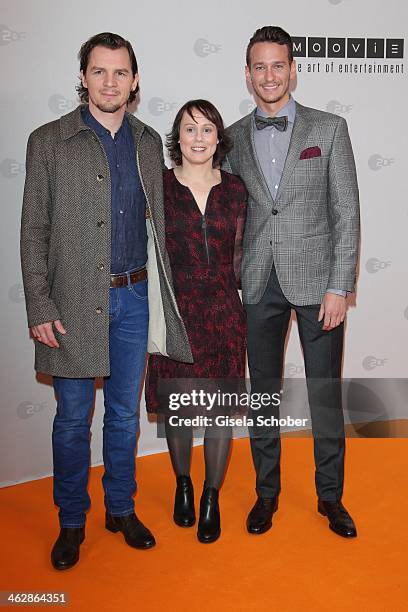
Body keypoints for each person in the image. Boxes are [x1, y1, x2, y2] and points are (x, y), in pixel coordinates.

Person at [20, 32, 192, 570]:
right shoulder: (47, 141)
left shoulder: (146, 142)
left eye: (120, 73)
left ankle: (121, 508)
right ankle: (72, 521)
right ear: (84, 77)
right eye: (99, 72)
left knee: (122, 416)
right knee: (72, 419)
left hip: (134, 297)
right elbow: (32, 231)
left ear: (135, 80)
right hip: (71, 304)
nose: (110, 82)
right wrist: (39, 305)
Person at [224, 26, 360, 538]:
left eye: (278, 65)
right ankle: (266, 494)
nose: (269, 76)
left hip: (319, 285)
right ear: (247, 74)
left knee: (325, 394)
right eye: (259, 67)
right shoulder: (231, 136)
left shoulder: (330, 129)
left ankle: (331, 498)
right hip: (258, 285)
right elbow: (225, 207)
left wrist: (339, 286)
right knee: (264, 395)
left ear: (293, 69)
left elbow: (347, 213)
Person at [145, 100, 247, 543]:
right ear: (178, 138)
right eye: (190, 129)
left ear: (218, 138)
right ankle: (183, 485)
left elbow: (243, 256)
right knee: (181, 413)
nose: (199, 138)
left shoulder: (237, 189)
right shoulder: (159, 187)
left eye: (207, 129)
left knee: (219, 413)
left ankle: (210, 496)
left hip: (225, 313)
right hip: (177, 312)